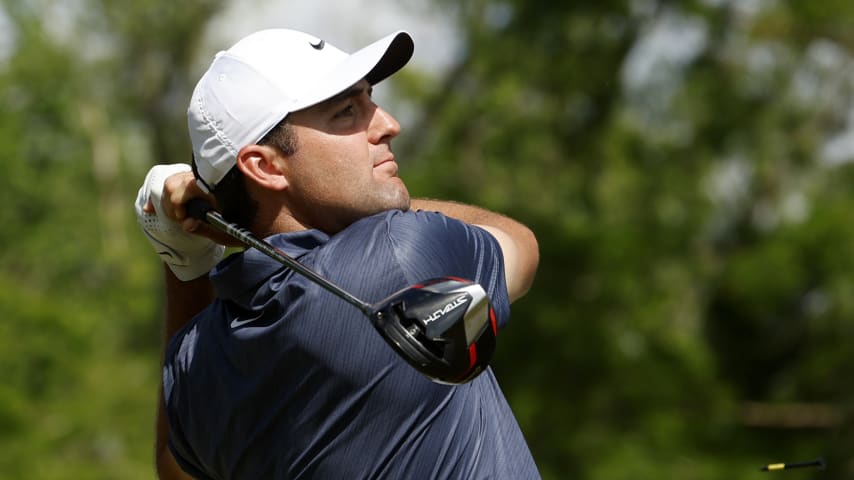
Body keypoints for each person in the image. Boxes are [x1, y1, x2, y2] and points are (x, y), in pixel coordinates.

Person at [135, 27, 540, 479]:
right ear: (264, 167)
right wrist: (223, 232)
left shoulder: (198, 364)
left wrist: (184, 257)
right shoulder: (401, 253)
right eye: (347, 112)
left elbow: (172, 467)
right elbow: (519, 243)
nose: (388, 124)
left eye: (370, 99)